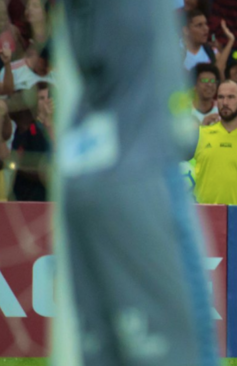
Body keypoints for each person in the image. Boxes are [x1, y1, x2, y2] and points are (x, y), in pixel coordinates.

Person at [55, 0, 219, 365]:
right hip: (139, 166)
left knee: (104, 350)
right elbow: (182, 140)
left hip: (84, 167)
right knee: (184, 348)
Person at [9, 81, 52, 201]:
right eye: (41, 98)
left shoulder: (53, 127)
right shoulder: (28, 128)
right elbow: (18, 161)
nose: (46, 102)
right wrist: (42, 174)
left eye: (47, 98)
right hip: (29, 196)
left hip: (48, 196)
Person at [182, 10, 234, 75]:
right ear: (186, 30)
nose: (206, 28)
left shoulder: (210, 50)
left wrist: (231, 41)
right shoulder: (175, 51)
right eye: (199, 25)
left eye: (206, 24)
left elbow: (217, 72)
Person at [191, 63, 219, 127]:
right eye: (204, 80)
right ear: (194, 85)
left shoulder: (222, 108)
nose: (210, 85)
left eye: (212, 81)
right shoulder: (184, 111)